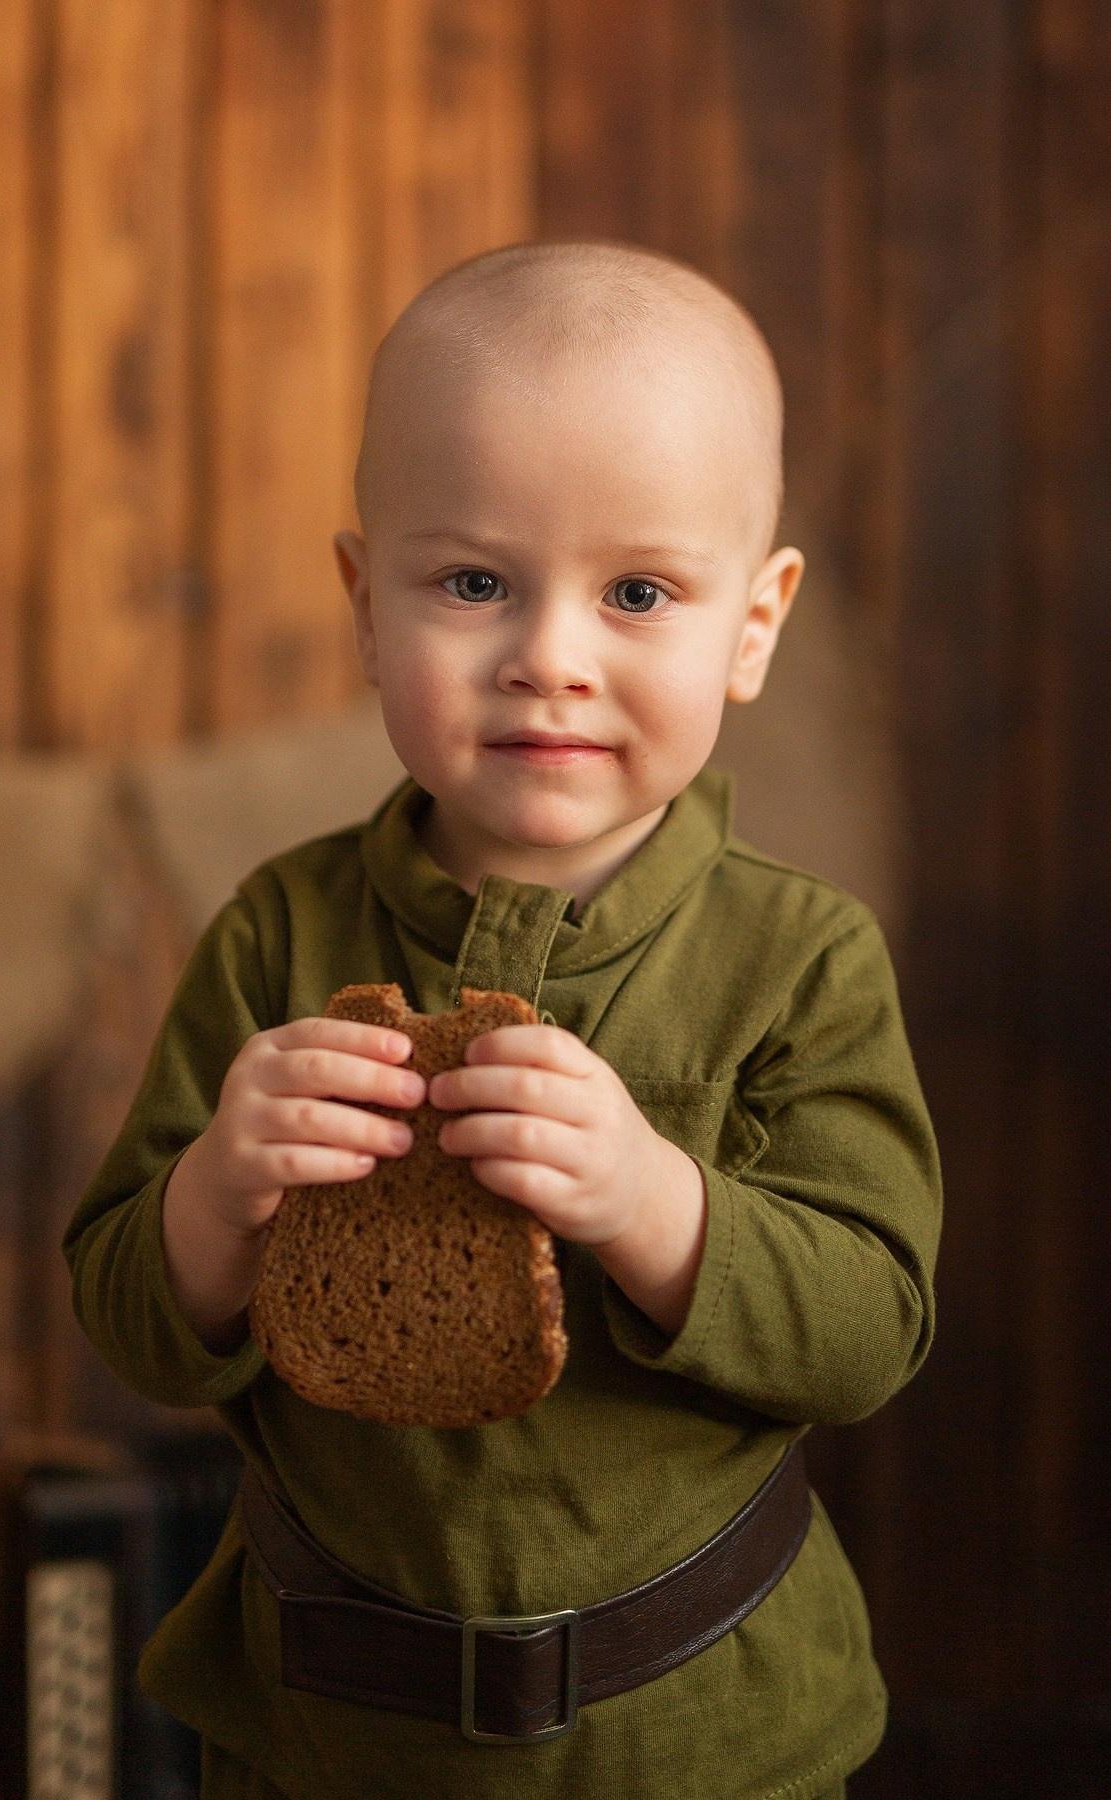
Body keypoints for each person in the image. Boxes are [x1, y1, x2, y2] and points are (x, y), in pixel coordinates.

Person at [64, 241, 942, 1800]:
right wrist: (216, 1195)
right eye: (474, 582)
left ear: (754, 622)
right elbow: (132, 1314)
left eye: (638, 593)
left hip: (707, 1736)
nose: (549, 656)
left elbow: (871, 1326)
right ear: (363, 598)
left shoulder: (802, 958)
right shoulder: (279, 930)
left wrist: (653, 1203)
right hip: (325, 1732)